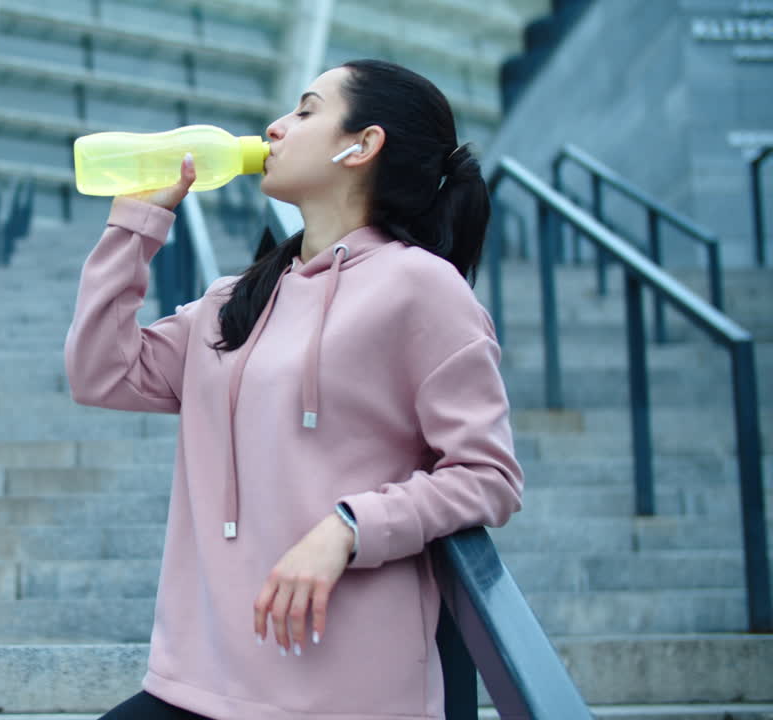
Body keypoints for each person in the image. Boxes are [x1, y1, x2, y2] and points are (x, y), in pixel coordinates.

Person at [64, 59, 525, 720]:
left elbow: (487, 475)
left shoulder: (421, 286)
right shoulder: (234, 300)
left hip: (351, 694)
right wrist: (133, 229)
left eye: (306, 111)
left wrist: (347, 527)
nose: (275, 128)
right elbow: (99, 372)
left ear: (361, 145)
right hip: (197, 679)